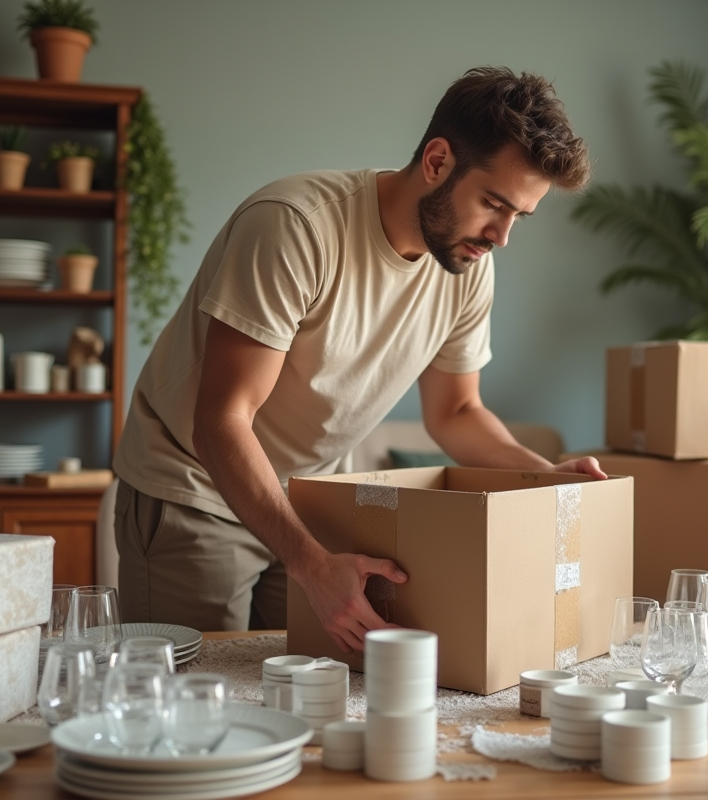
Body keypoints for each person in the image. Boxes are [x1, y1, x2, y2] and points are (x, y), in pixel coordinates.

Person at [112, 66, 605, 653]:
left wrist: (540, 476)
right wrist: (313, 567)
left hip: (310, 497)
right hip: (195, 487)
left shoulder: (468, 267)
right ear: (437, 161)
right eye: (493, 205)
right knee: (188, 701)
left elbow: (457, 411)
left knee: (313, 692)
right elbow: (223, 420)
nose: (501, 237)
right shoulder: (295, 228)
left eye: (518, 216)